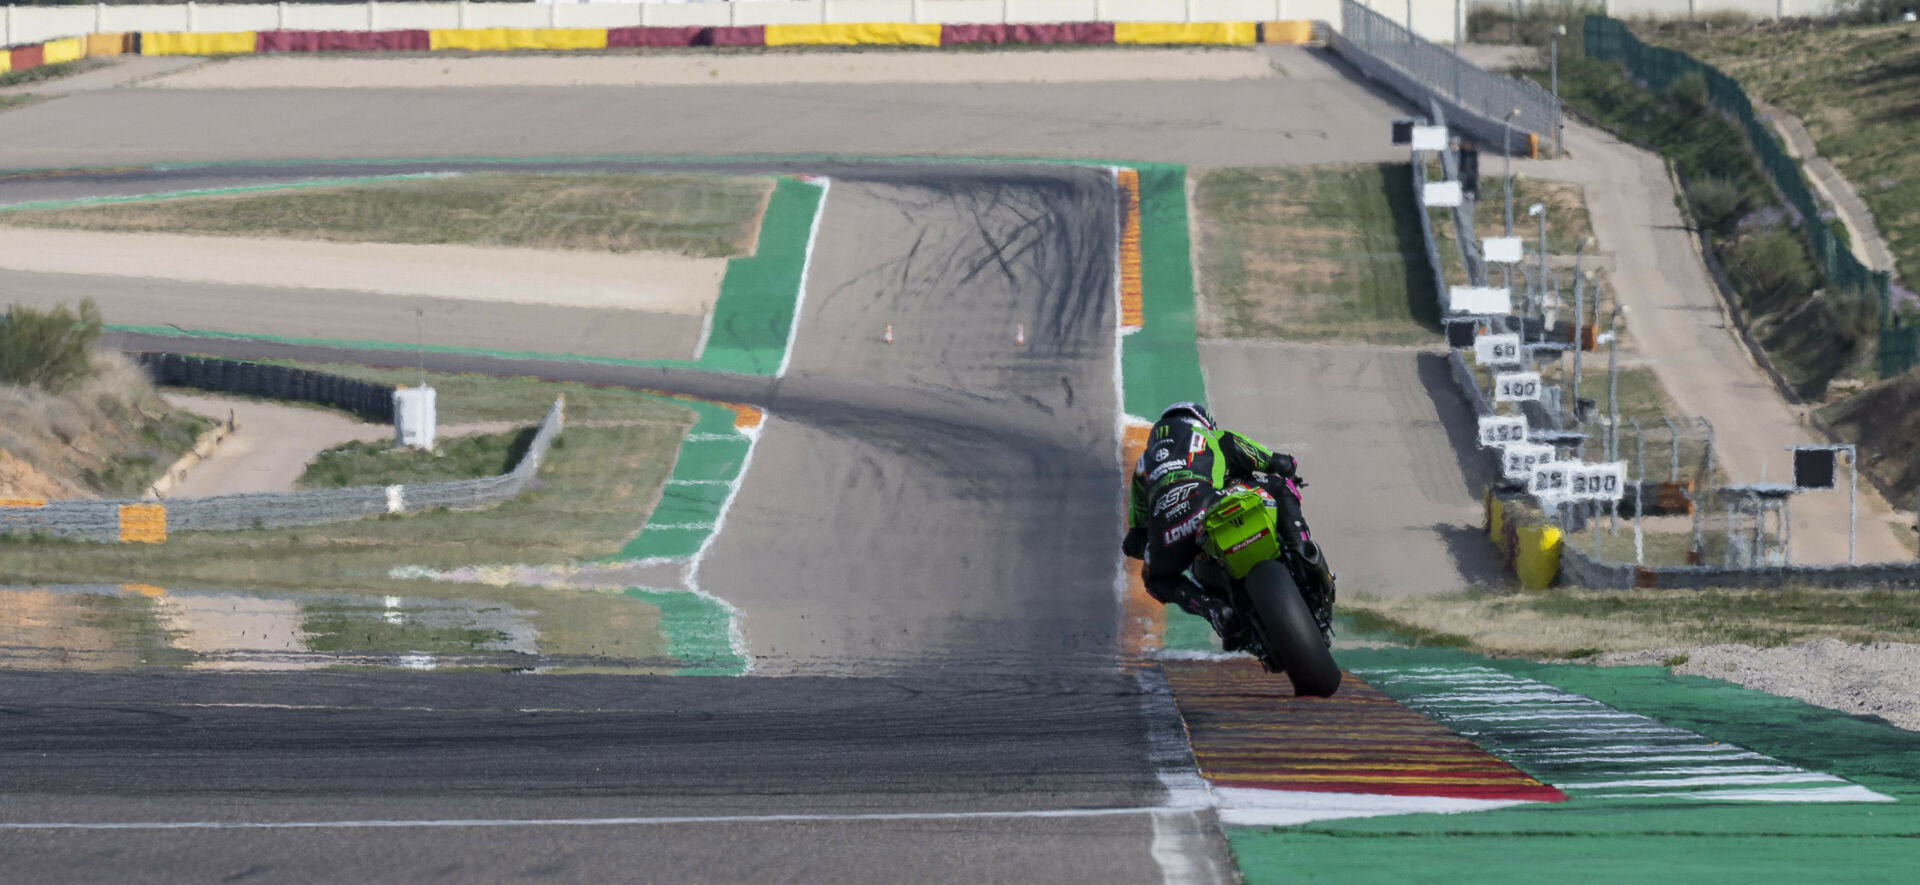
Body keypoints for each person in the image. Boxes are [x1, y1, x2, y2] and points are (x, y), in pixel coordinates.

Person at [1122, 401, 1336, 650]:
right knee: (1280, 485)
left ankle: (1213, 609)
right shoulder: (1214, 438)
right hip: (1211, 502)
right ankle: (1302, 550)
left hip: (1170, 529)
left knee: (1154, 578)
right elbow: (1270, 461)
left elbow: (1135, 536)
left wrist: (1142, 544)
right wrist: (1288, 465)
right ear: (1204, 422)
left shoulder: (1144, 463)